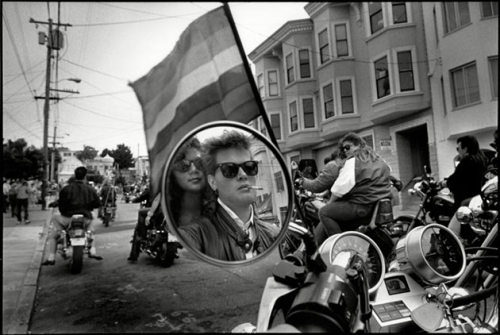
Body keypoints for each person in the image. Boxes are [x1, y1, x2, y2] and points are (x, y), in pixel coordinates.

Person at [178, 130, 280, 261]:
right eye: (230, 169)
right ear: (213, 182)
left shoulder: (274, 234)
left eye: (249, 167)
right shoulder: (196, 236)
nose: (243, 175)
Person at [315, 132, 392, 245]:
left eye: (348, 147)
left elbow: (339, 188)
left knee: (324, 212)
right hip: (375, 206)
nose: (345, 151)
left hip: (361, 206)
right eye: (343, 149)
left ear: (359, 145)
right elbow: (388, 173)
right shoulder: (379, 160)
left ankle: (341, 247)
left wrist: (330, 203)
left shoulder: (353, 162)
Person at [42, 167, 103, 265]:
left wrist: (62, 209)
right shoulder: (90, 189)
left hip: (67, 218)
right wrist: (89, 208)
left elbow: (61, 204)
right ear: (85, 176)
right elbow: (97, 204)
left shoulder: (66, 189)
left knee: (53, 232)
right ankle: (93, 251)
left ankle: (51, 257)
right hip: (85, 218)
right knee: (91, 229)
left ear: (74, 175)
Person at [440, 135, 488, 211]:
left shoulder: (467, 161)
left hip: (465, 201)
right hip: (477, 198)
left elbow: (455, 180)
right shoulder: (482, 158)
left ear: (465, 149)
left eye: (458, 149)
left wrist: (445, 183)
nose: (458, 151)